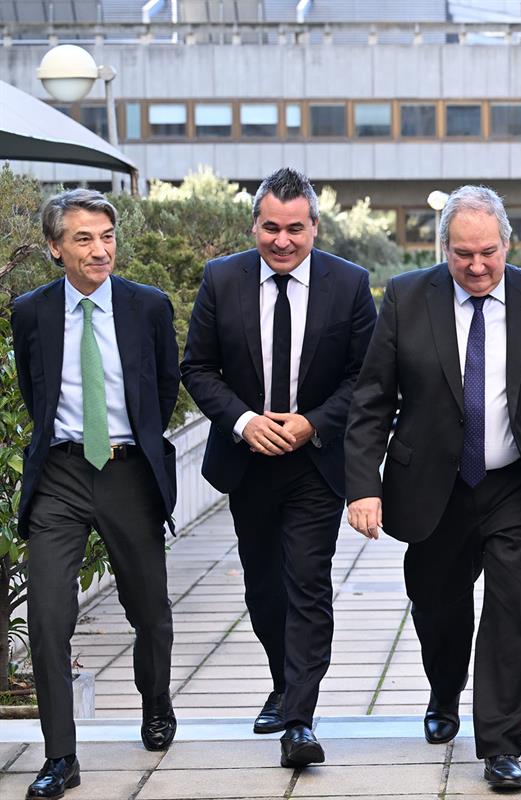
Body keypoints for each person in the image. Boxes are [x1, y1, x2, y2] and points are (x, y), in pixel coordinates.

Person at [344, 185, 521, 792]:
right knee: (438, 605)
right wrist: (362, 486)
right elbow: (372, 398)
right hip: (434, 486)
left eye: (487, 253)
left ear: (507, 243)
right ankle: (445, 686)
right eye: (461, 255)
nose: (476, 267)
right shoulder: (405, 297)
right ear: (442, 248)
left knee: (513, 611)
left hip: (514, 487)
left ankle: (501, 744)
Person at [180, 168, 377, 768]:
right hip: (249, 462)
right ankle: (282, 682)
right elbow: (198, 369)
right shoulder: (222, 280)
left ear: (315, 227)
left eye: (295, 228)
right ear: (255, 225)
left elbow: (365, 380)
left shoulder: (350, 284)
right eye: (271, 227)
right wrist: (244, 421)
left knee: (308, 584)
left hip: (316, 464)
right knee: (264, 590)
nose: (282, 240)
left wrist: (312, 422)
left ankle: (300, 719)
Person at [13, 189, 179, 799]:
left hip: (128, 471)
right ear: (56, 248)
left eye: (106, 236)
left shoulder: (149, 307)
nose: (99, 249)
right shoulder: (30, 311)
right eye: (83, 239)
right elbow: (38, 395)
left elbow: (164, 390)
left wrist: (127, 444)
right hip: (59, 473)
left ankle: (155, 703)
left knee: (150, 612)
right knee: (48, 614)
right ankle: (61, 756)